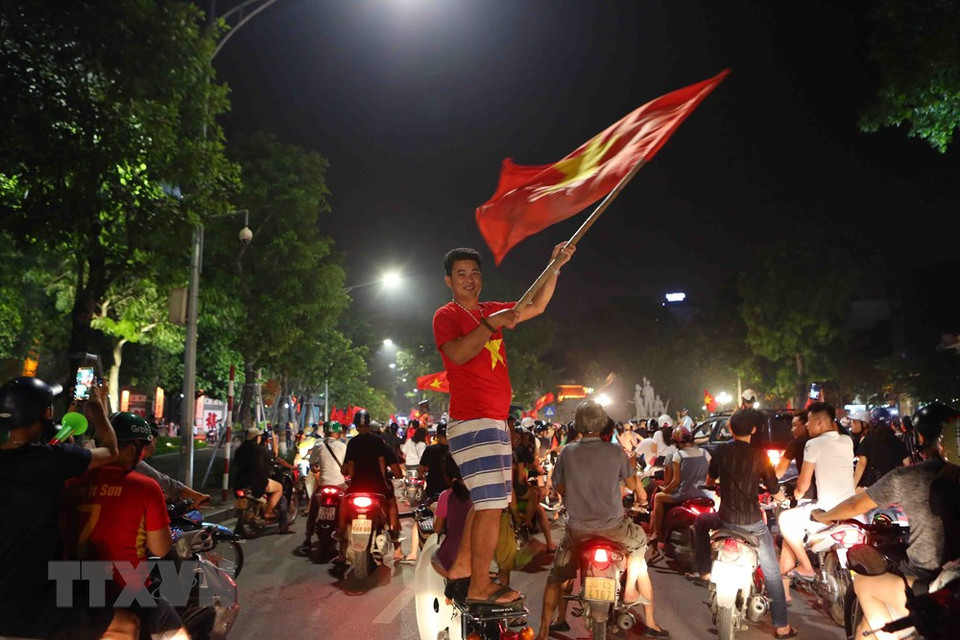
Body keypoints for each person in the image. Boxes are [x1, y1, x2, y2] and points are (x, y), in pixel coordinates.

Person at [433, 243, 573, 607]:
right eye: (461, 274)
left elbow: (535, 306)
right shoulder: (446, 315)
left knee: (487, 504)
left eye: (475, 273)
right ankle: (480, 585)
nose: (470, 280)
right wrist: (490, 324)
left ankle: (463, 568)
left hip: (494, 422)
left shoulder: (490, 309)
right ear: (449, 280)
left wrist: (554, 265)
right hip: (472, 421)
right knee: (492, 504)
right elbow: (460, 353)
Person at [0, 376, 138, 640]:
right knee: (127, 625)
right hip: (26, 603)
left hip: (17, 592)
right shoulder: (51, 460)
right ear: (47, 412)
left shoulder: (43, 457)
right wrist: (98, 409)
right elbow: (111, 450)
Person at [812, 402, 959, 640]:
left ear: (919, 436)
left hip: (930, 584)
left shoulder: (915, 478)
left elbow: (854, 504)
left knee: (862, 583)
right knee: (865, 630)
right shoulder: (904, 455)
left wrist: (823, 515)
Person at [535, 400, 667, 640]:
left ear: (578, 426)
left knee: (556, 578)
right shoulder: (616, 451)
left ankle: (543, 632)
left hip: (577, 530)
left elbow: (561, 488)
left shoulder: (567, 452)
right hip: (614, 528)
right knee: (639, 542)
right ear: (603, 424)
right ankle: (629, 592)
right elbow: (632, 485)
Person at [61, 412, 189, 639]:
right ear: (134, 446)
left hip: (70, 590)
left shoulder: (70, 482)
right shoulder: (145, 487)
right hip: (127, 590)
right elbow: (160, 549)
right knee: (176, 631)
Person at [689, 408, 795, 639]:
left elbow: (711, 478)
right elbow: (774, 488)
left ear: (729, 428)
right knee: (772, 572)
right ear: (754, 430)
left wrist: (713, 484)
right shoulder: (760, 456)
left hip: (725, 519)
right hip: (753, 524)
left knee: (700, 521)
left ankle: (705, 571)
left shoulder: (721, 450)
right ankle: (781, 626)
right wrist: (782, 499)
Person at [777, 401, 855, 584]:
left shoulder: (813, 444)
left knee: (785, 520)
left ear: (820, 423)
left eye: (809, 420)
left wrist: (795, 495)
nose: (806, 425)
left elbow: (803, 485)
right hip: (851, 508)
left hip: (827, 509)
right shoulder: (847, 441)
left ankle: (806, 567)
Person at [341, 409, 405, 561]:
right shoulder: (380, 443)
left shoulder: (352, 443)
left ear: (356, 425)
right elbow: (393, 470)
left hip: (356, 487)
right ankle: (395, 541)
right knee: (392, 504)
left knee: (344, 502)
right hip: (378, 487)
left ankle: (341, 534)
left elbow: (348, 468)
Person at [646, 425, 711, 547]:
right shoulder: (705, 453)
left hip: (685, 493)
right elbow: (709, 474)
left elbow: (675, 481)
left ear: (676, 442)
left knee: (658, 497)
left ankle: (656, 532)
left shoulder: (678, 455)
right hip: (704, 494)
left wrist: (665, 490)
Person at [232, 427, 294, 533]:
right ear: (257, 438)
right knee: (279, 488)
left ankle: (241, 523)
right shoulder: (260, 450)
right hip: (257, 481)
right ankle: (268, 512)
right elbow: (270, 462)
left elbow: (236, 464)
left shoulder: (240, 449)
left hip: (239, 482)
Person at [299, 420, 347, 555]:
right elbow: (346, 465)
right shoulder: (343, 446)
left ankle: (307, 538)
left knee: (313, 509)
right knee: (348, 507)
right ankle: (346, 537)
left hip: (324, 484)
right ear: (338, 433)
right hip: (339, 483)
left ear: (325, 432)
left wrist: (315, 468)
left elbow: (312, 464)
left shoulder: (318, 444)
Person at [138, 423, 212, 506]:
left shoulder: (135, 466)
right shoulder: (136, 467)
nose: (154, 442)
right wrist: (198, 496)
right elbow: (167, 484)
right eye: (151, 439)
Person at [431, 453, 473, 576]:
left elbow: (437, 529)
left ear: (446, 474)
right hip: (478, 552)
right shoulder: (477, 492)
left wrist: (435, 511)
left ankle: (451, 587)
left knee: (434, 556)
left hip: (452, 554)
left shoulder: (445, 496)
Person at [853, 407, 910, 488]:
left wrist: (853, 485)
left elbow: (862, 462)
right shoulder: (896, 440)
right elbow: (906, 463)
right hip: (893, 484)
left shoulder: (868, 440)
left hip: (873, 486)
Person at [775, 410, 816, 500]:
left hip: (807, 496)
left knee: (784, 514)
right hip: (827, 494)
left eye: (795, 426)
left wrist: (767, 480)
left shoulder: (796, 443)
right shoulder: (821, 441)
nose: (792, 430)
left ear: (806, 425)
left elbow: (779, 471)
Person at [418, 421, 450, 503]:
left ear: (437, 435)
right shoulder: (455, 449)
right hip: (452, 490)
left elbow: (421, 469)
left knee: (422, 506)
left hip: (433, 489)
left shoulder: (430, 450)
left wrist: (420, 477)